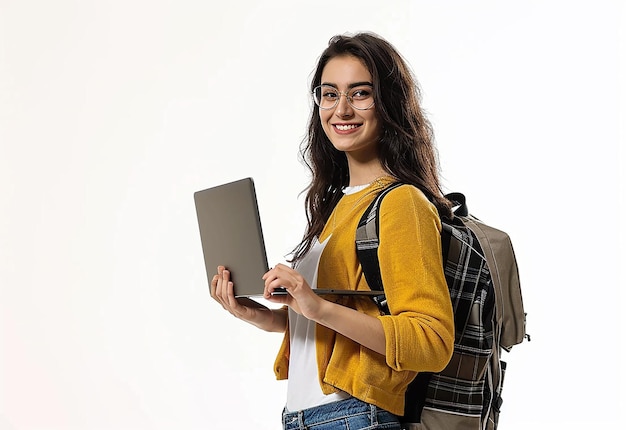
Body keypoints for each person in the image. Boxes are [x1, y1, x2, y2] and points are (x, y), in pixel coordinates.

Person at [210, 32, 455, 430]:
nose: (341, 109)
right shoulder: (337, 205)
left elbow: (432, 341)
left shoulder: (401, 202)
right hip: (308, 416)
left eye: (360, 93)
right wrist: (263, 316)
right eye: (329, 94)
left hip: (355, 416)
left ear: (389, 103)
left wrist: (317, 306)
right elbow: (335, 327)